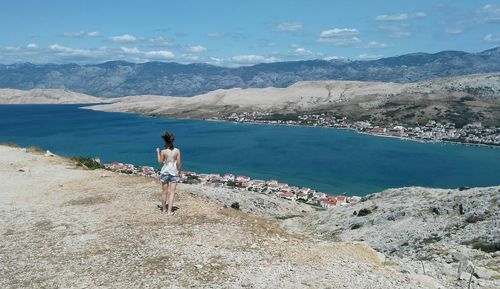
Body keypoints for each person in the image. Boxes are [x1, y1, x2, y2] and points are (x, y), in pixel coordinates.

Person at [156, 131, 182, 216]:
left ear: (165, 142)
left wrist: (157, 152)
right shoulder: (177, 151)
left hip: (165, 172)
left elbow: (160, 162)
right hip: (174, 173)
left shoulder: (163, 151)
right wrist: (180, 171)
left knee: (164, 192)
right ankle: (169, 212)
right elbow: (178, 163)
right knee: (172, 192)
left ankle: (163, 210)